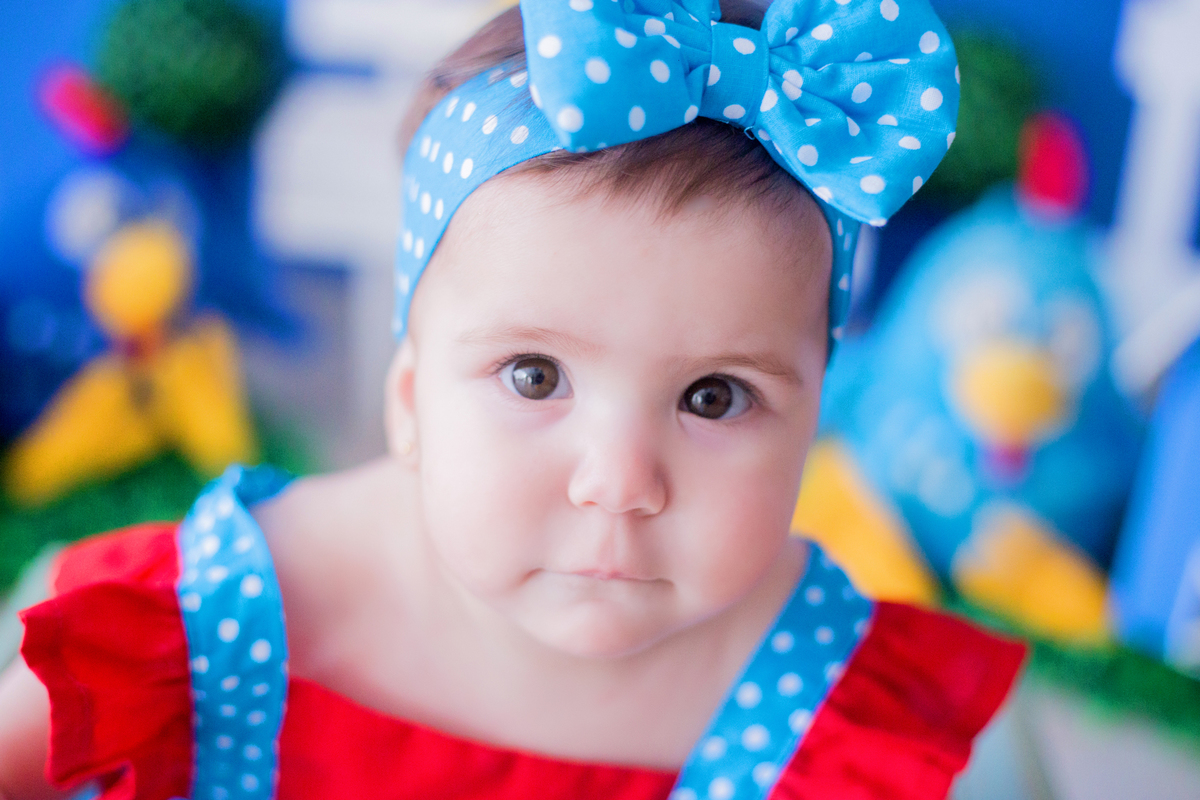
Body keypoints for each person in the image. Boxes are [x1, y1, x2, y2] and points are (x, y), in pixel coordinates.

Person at [0, 1, 1025, 798]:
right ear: (410, 398)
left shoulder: (827, 700)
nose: (619, 481)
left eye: (714, 396)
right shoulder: (219, 619)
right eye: (535, 375)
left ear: (815, 421)